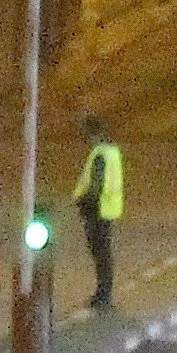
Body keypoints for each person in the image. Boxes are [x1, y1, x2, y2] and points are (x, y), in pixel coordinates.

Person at [72, 116, 125, 314]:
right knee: (103, 252)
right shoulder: (111, 151)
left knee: (100, 253)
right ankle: (104, 291)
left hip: (97, 210)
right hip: (108, 208)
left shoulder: (100, 155)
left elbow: (95, 184)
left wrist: (84, 203)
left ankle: (103, 293)